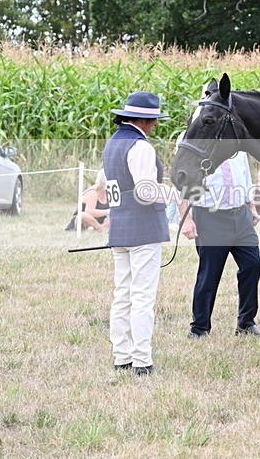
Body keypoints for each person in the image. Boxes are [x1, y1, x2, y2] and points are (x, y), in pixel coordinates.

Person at [103, 91, 173, 376]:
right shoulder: (141, 147)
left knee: (123, 294)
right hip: (143, 228)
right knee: (142, 296)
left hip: (120, 226)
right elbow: (146, 191)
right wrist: (174, 193)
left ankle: (122, 355)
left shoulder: (112, 144)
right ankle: (142, 360)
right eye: (153, 120)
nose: (154, 126)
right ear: (145, 120)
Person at [179, 151, 260, 339]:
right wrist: (186, 219)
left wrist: (251, 207)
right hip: (209, 216)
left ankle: (246, 323)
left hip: (240, 215)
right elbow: (182, 185)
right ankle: (199, 328)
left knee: (252, 265)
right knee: (210, 273)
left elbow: (245, 177)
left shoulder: (239, 146)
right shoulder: (198, 139)